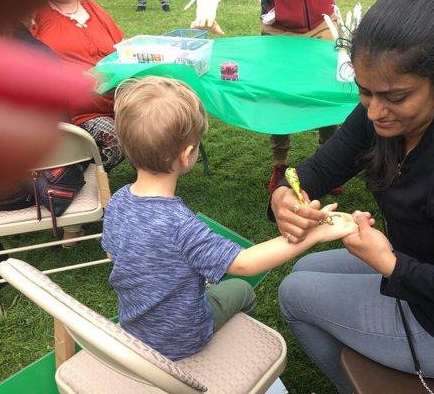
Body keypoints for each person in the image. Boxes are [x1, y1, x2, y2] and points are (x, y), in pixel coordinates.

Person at [270, 0, 434, 392]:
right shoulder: (389, 98)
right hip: (420, 267)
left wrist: (393, 265)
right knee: (305, 269)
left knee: (294, 292)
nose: (373, 112)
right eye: (364, 91)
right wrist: (285, 194)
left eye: (393, 97)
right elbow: (323, 167)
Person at [102, 76, 358, 361]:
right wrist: (316, 233)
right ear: (187, 155)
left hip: (135, 329)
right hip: (184, 339)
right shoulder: (180, 225)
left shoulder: (117, 201)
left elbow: (114, 254)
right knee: (241, 291)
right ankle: (230, 354)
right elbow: (245, 264)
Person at [191, 0, 344, 195]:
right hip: (279, 29)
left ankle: (327, 162)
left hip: (322, 23)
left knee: (326, 93)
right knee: (278, 96)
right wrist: (206, 9)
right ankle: (280, 164)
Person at [33, 0, 124, 173]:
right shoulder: (36, 16)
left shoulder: (94, 9)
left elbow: (123, 48)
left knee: (156, 116)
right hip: (78, 115)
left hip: (120, 100)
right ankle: (75, 176)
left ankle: (151, 173)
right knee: (117, 138)